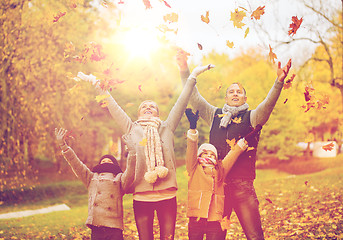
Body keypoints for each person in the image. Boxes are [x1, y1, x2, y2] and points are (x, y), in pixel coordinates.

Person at [77, 63, 214, 240]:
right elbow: (112, 105)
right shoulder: (131, 128)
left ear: (157, 114)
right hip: (141, 197)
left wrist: (193, 75)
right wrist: (96, 83)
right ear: (139, 113)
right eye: (144, 106)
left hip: (167, 195)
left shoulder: (167, 127)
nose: (148, 107)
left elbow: (182, 100)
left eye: (152, 106)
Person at [177, 49, 292, 240]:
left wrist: (278, 83)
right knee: (216, 237)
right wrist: (183, 69)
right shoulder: (214, 114)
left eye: (239, 92)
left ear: (245, 98)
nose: (235, 93)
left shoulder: (252, 117)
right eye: (231, 91)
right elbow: (194, 97)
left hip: (243, 188)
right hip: (217, 187)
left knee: (254, 236)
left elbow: (268, 105)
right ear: (226, 98)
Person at [184, 108, 262, 240]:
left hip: (215, 216)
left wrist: (246, 139)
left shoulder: (220, 169)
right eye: (205, 153)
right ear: (199, 155)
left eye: (212, 154)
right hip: (197, 214)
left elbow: (234, 153)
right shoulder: (194, 168)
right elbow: (191, 148)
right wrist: (192, 129)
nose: (209, 156)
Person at [55, 127, 136, 240]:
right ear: (99, 165)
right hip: (96, 227)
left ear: (115, 165)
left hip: (114, 227)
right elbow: (76, 163)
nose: (106, 162)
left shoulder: (120, 179)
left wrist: (132, 151)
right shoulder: (91, 178)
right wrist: (63, 146)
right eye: (103, 161)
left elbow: (131, 171)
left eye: (109, 161)